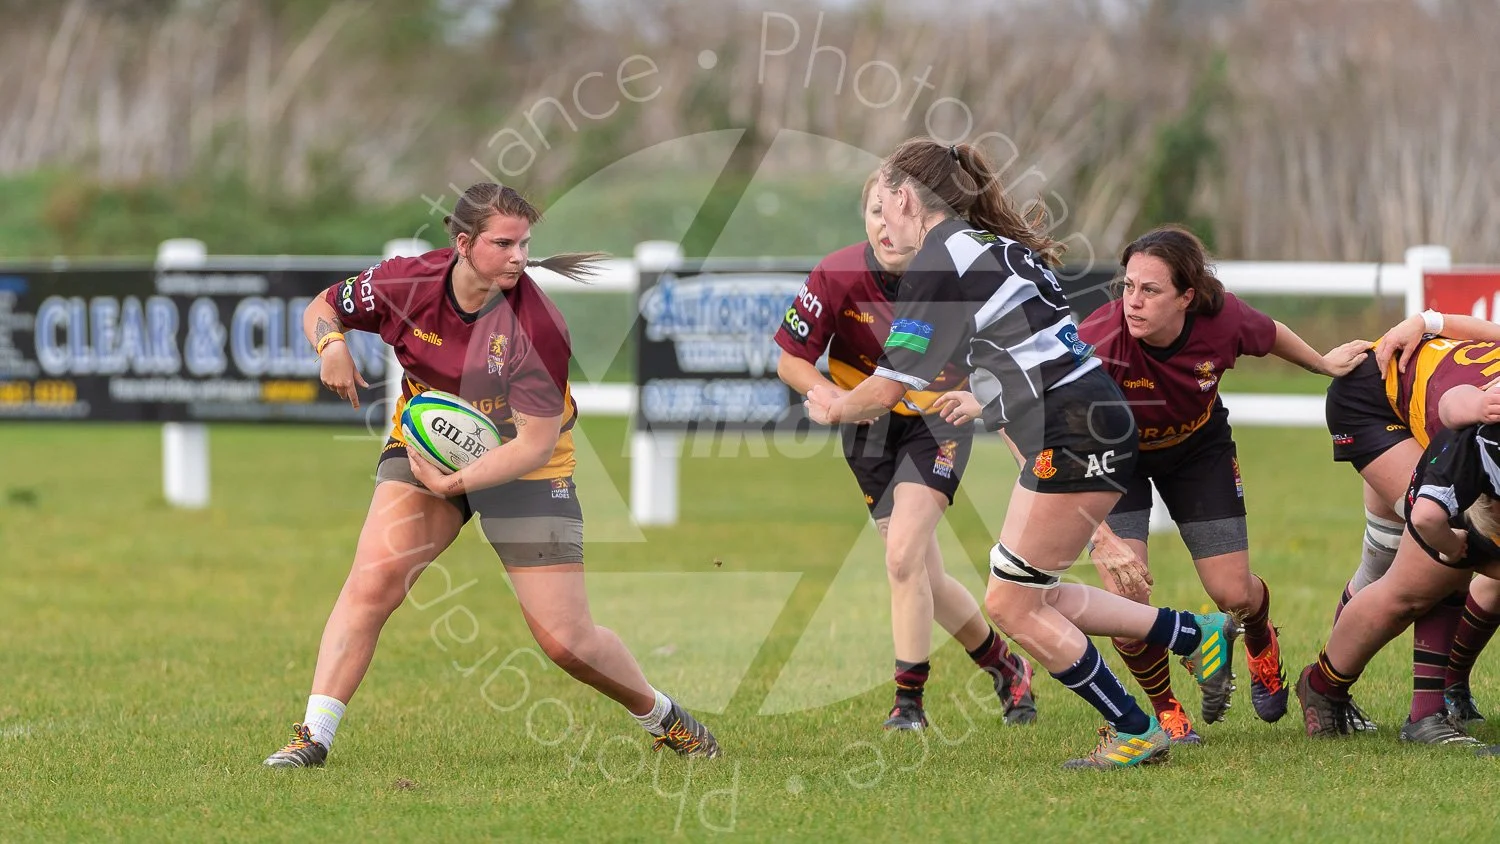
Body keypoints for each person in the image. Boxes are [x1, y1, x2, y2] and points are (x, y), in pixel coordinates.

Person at [805, 137, 1240, 770]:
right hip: (1083, 423)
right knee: (1031, 595)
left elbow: (888, 389)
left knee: (1010, 606)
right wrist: (985, 396)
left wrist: (834, 406)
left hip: (1074, 432)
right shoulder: (996, 246)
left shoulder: (938, 265)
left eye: (884, 205)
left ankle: (1135, 728)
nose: (880, 224)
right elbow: (1028, 352)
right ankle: (1192, 634)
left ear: (907, 199)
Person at [262, 182, 719, 767]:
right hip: (429, 446)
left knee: (567, 643)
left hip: (527, 466)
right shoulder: (405, 284)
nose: (519, 258)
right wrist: (330, 346)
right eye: (504, 244)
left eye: (524, 244)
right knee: (372, 582)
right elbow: (322, 306)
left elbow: (534, 443)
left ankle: (663, 717)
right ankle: (313, 737)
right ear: (463, 244)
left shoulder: (537, 326)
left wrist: (454, 486)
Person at [1076, 226, 1370, 744]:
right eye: (1128, 286)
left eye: (1150, 290)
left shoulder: (1222, 319)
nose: (1132, 302)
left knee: (1232, 592)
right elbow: (1060, 438)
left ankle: (1259, 640)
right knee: (1126, 598)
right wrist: (1098, 535)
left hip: (1198, 450)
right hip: (1116, 461)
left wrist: (1322, 364)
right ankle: (1167, 711)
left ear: (1187, 297)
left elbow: (1271, 334)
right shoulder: (1100, 343)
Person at [775, 172, 1037, 732]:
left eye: (892, 211)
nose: (884, 226)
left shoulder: (953, 276)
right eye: (873, 211)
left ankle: (907, 704)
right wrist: (830, 397)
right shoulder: (836, 274)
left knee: (901, 557)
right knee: (920, 574)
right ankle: (1005, 666)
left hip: (937, 422)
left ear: (918, 216)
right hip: (867, 428)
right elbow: (790, 359)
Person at [1304, 311, 1500, 742]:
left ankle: (1337, 691)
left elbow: (1492, 334)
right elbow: (1432, 516)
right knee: (1438, 564)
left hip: (1418, 394)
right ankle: (1411, 711)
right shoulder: (1484, 430)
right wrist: (1427, 322)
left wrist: (1430, 321)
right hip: (1373, 399)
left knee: (1383, 566)